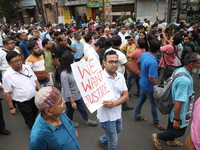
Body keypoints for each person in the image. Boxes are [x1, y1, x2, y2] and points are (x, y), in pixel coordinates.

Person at [152, 52, 200, 150]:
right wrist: (177, 120)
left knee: (172, 125)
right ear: (192, 64)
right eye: (199, 63)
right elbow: (179, 102)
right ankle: (158, 136)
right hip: (180, 111)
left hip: (173, 107)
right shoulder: (185, 80)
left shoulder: (180, 70)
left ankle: (170, 140)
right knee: (179, 131)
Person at [97, 50, 129, 150]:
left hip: (117, 113)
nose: (114, 64)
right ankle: (107, 139)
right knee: (113, 142)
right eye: (111, 62)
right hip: (106, 117)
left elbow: (126, 95)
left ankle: (103, 139)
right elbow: (82, 90)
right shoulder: (98, 78)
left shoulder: (120, 76)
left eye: (116, 62)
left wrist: (114, 104)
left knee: (119, 129)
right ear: (104, 63)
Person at [3, 51, 41, 129]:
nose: (18, 63)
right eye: (15, 62)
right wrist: (11, 108)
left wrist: (40, 92)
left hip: (34, 97)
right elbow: (7, 93)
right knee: (30, 118)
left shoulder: (27, 67)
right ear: (9, 64)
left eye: (19, 60)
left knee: (35, 113)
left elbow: (35, 80)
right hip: (23, 102)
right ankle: (34, 130)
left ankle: (30, 122)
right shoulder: (7, 76)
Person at [134, 39, 166, 130]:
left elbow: (137, 62)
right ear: (158, 50)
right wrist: (158, 87)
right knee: (153, 104)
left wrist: (141, 72)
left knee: (141, 99)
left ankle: (137, 115)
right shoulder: (153, 62)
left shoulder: (144, 54)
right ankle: (156, 121)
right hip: (149, 86)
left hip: (142, 82)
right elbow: (152, 78)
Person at [60, 51, 97, 128]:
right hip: (69, 97)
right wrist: (72, 102)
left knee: (81, 107)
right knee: (70, 110)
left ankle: (87, 120)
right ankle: (70, 122)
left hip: (77, 94)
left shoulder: (73, 68)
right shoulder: (64, 74)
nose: (74, 61)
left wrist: (83, 59)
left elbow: (79, 64)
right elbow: (66, 90)